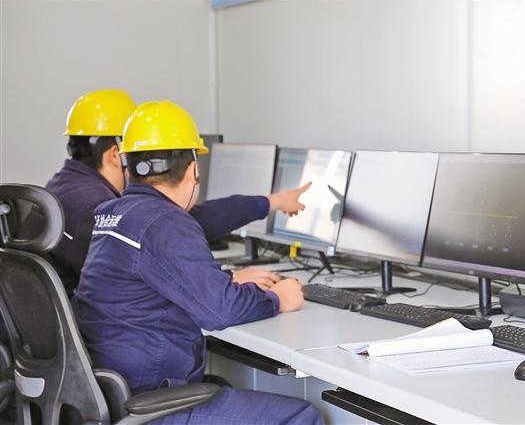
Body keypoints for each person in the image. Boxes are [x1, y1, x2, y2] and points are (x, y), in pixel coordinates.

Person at [71, 100, 322, 424]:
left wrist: (226, 278)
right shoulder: (165, 222)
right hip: (147, 398)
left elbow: (157, 274)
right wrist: (278, 298)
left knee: (222, 386)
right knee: (302, 415)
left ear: (128, 167)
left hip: (111, 389)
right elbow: (221, 310)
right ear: (193, 170)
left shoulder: (114, 213)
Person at [46, 89, 136, 295]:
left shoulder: (59, 186)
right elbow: (125, 285)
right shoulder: (97, 209)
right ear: (116, 154)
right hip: (83, 314)